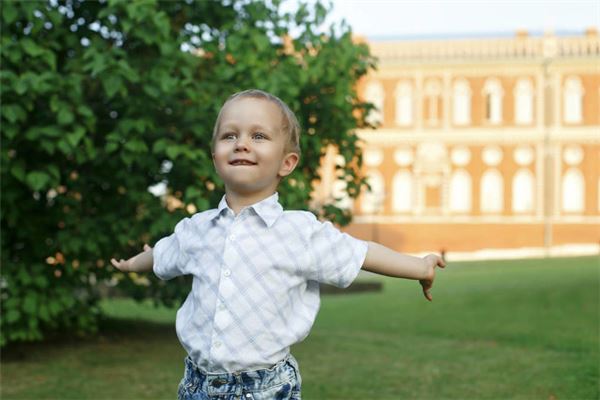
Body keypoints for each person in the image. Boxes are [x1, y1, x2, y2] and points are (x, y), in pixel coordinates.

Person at [111, 89, 446, 400]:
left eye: (258, 136)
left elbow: (359, 253)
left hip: (266, 389)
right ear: (216, 158)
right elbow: (161, 255)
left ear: (286, 163)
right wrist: (132, 263)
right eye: (230, 135)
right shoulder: (196, 230)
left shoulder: (300, 232)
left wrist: (420, 266)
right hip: (196, 384)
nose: (241, 143)